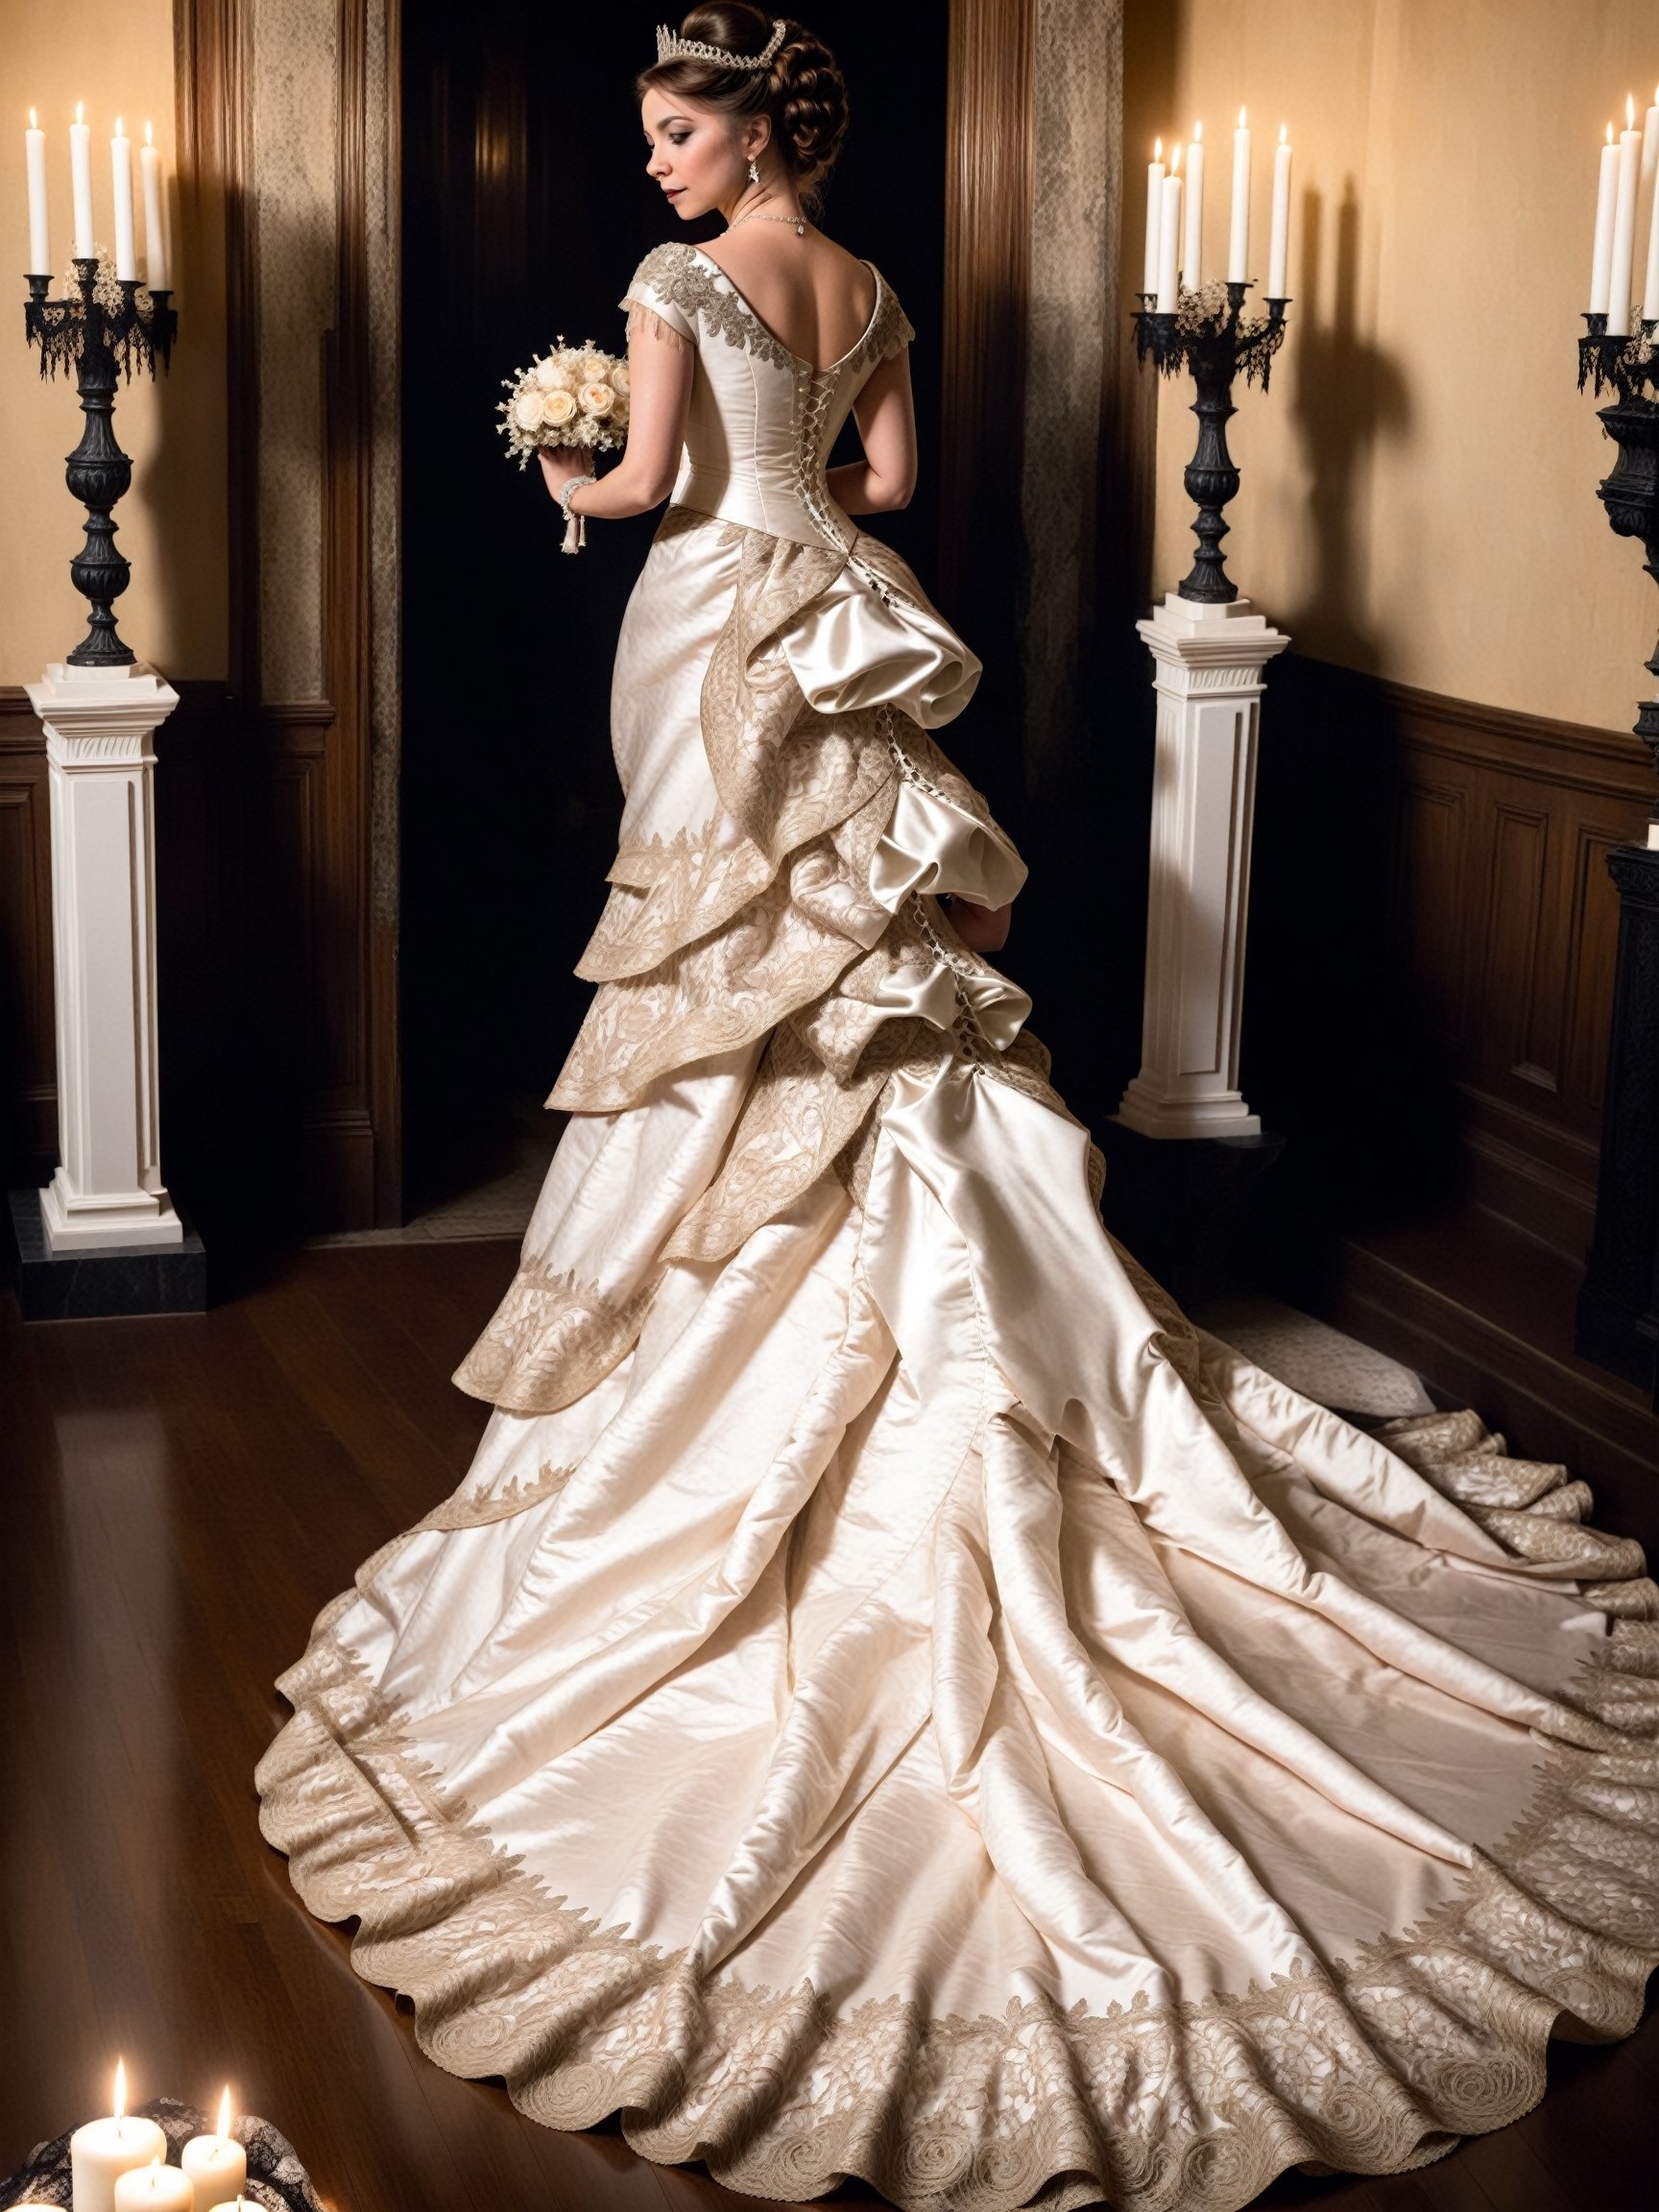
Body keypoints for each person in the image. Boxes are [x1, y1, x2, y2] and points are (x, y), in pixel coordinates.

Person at [258, 11, 1659, 2209]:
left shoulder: (668, 291)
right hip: (848, 616)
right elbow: (890, 491)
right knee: (893, 989)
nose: (655, 161)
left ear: (744, 128)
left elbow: (638, 491)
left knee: (730, 985)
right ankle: (946, 1312)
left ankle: (729, 1347)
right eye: (646, 131)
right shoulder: (880, 288)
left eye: (678, 127)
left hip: (720, 635)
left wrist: (565, 472)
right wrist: (759, 471)